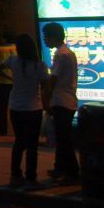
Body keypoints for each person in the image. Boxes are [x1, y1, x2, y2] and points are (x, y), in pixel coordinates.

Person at [0, 33, 48, 186]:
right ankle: (31, 178)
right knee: (32, 146)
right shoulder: (40, 65)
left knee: (19, 142)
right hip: (33, 108)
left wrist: (11, 78)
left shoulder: (13, 61)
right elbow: (45, 86)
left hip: (16, 107)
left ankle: (15, 175)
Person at [43, 22, 80, 182]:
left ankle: (72, 173)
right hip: (69, 99)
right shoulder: (68, 52)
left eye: (46, 37)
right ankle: (59, 167)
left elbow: (53, 78)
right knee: (62, 136)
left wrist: (46, 97)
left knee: (64, 139)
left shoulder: (60, 54)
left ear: (53, 37)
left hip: (61, 101)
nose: (44, 40)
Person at [0, 32, 17, 136]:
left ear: (5, 39)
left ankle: (3, 131)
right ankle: (17, 131)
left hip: (3, 83)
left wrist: (6, 75)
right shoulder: (18, 49)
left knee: (3, 108)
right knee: (15, 108)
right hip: (16, 83)